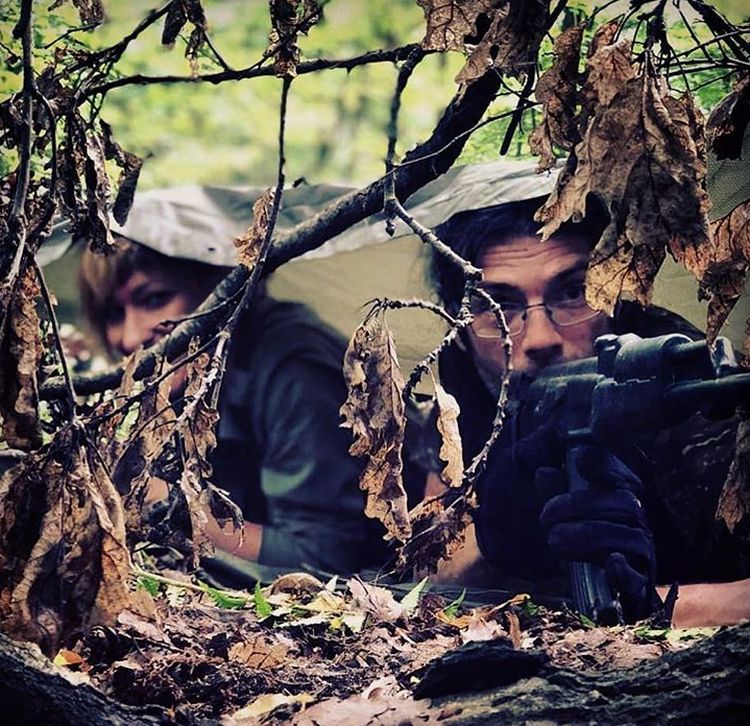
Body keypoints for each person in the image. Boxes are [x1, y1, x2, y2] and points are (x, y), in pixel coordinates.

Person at [423, 185, 750, 627]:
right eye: (499, 305)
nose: (538, 338)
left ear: (617, 294)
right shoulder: (459, 386)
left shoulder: (695, 396)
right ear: (457, 326)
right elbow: (432, 562)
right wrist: (498, 537)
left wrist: (648, 608)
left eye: (573, 292)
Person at [78, 222, 379, 581]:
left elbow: (323, 557)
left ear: (222, 291)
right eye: (114, 314)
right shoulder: (181, 379)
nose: (130, 337)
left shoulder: (292, 368)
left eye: (155, 299)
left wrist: (162, 503)